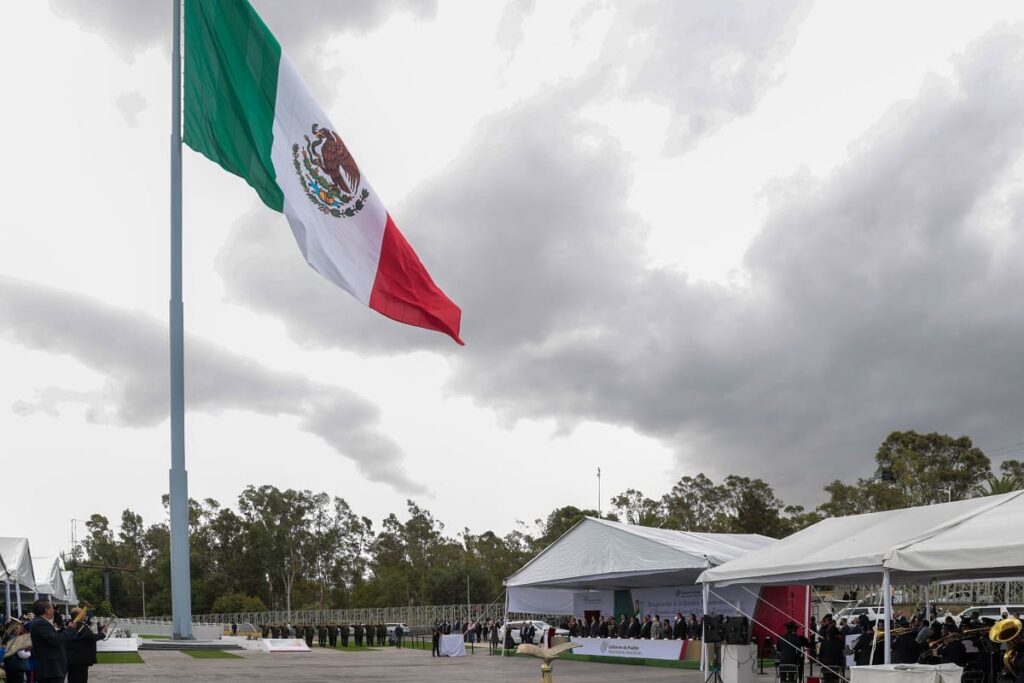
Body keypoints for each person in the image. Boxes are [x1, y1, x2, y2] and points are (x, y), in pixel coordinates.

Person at [29, 599, 85, 683]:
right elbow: (56, 640)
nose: (54, 610)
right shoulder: (40, 623)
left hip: (52, 669)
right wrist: (70, 629)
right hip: (50, 669)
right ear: (47, 610)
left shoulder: (42, 622)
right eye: (52, 608)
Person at [66, 607, 106, 683]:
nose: (84, 614)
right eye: (82, 612)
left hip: (73, 659)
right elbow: (91, 637)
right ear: (78, 615)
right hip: (80, 660)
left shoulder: (71, 624)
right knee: (80, 679)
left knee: (72, 679)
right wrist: (102, 634)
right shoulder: (81, 626)